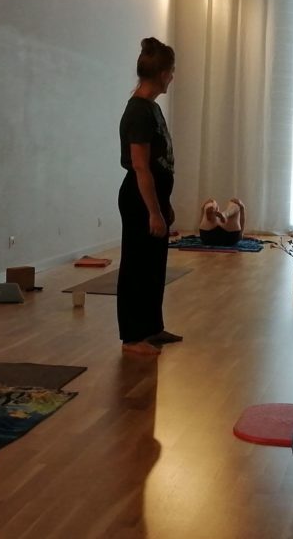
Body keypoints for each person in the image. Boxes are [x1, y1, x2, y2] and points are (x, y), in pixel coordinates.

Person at [117, 37, 182, 357]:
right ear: (161, 74)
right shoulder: (139, 112)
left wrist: (163, 205)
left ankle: (151, 327)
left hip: (153, 197)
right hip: (139, 198)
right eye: (171, 72)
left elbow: (159, 164)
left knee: (155, 266)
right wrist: (153, 211)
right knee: (136, 266)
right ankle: (132, 337)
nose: (172, 77)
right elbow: (142, 168)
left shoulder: (151, 108)